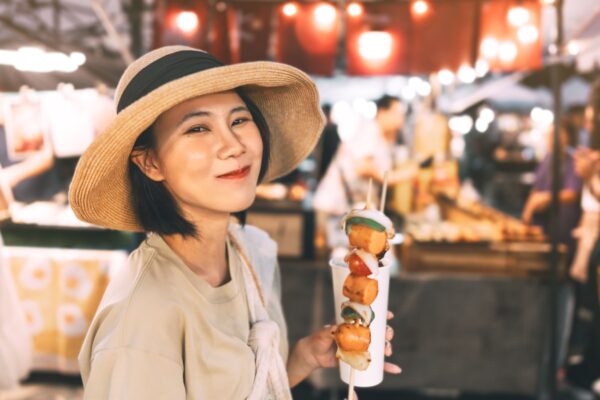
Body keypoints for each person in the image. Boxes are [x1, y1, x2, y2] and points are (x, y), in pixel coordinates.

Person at [69, 46, 400, 399]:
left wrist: (303, 358)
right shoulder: (141, 324)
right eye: (198, 128)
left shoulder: (246, 253)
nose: (233, 145)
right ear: (150, 163)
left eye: (239, 120)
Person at [521, 119, 581, 257]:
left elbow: (573, 193)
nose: (550, 139)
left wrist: (545, 198)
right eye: (549, 134)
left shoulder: (573, 160)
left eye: (555, 134)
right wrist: (527, 213)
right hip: (544, 225)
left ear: (567, 137)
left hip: (564, 224)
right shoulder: (547, 160)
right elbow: (536, 189)